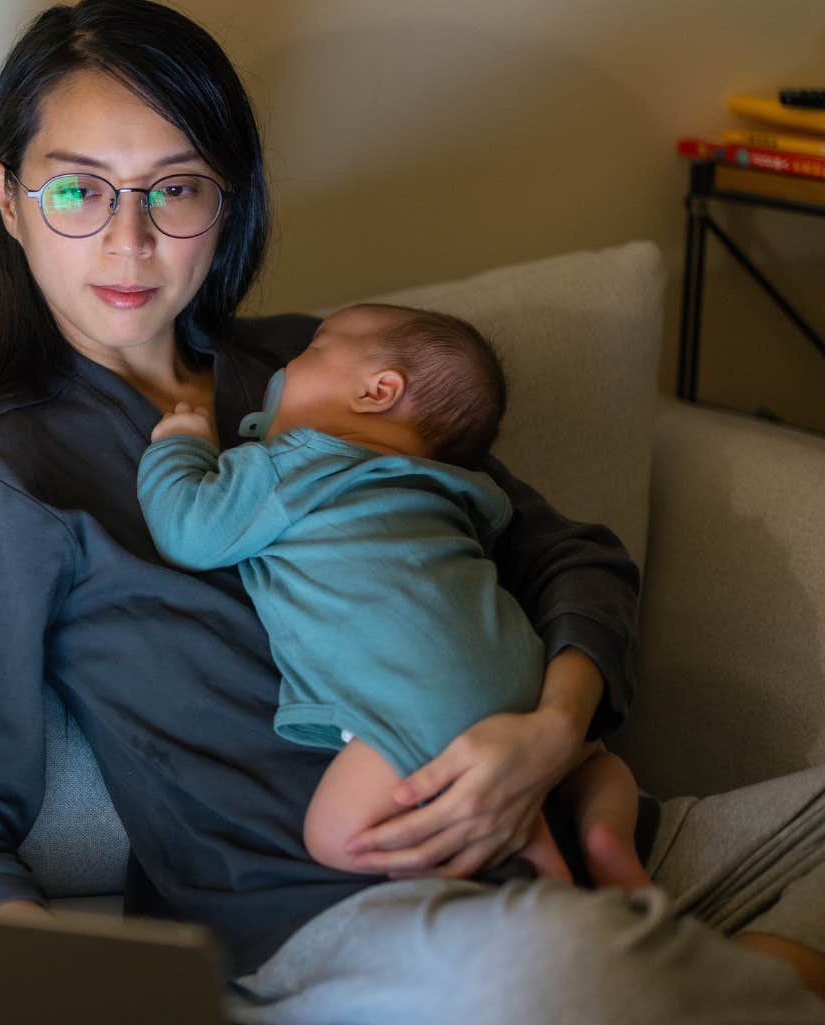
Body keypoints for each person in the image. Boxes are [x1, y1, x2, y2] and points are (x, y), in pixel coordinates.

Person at [0, 2, 825, 1025]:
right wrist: (81, 1014)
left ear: (227, 200)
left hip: (593, 846)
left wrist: (552, 734)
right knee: (565, 992)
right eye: (79, 189)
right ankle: (739, 993)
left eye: (175, 190)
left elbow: (571, 559)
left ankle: (708, 995)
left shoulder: (317, 371)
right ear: (9, 199)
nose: (129, 241)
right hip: (344, 923)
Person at [136, 301, 650, 890]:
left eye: (313, 350)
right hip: (528, 670)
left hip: (422, 700)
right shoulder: (453, 490)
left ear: (378, 391)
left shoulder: (294, 462)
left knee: (333, 835)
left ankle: (523, 852)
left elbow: (191, 531)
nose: (288, 363)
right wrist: (561, 720)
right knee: (596, 759)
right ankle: (605, 833)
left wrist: (181, 446)